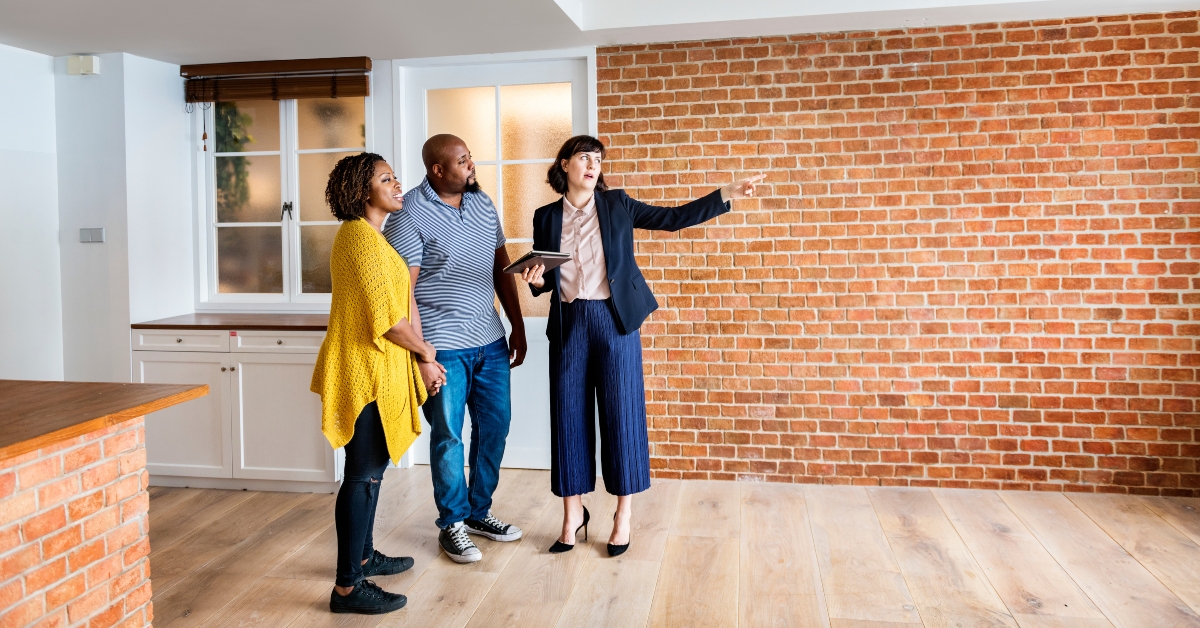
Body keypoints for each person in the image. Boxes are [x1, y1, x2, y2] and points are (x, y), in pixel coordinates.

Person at [520, 135, 764, 555]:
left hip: (616, 322)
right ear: (564, 165)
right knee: (568, 417)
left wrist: (726, 194)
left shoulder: (617, 205)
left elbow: (673, 217)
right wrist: (536, 280)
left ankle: (623, 515)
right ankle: (572, 514)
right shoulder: (546, 216)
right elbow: (544, 282)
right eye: (584, 157)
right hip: (569, 325)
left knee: (622, 415)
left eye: (597, 159)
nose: (593, 165)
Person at [382, 134, 527, 564]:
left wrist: (517, 326)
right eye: (462, 161)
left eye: (471, 159)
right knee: (448, 436)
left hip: (490, 340)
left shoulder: (482, 203)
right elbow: (402, 293)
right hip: (443, 346)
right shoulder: (409, 215)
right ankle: (452, 524)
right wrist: (423, 355)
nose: (472, 167)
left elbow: (502, 267)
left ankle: (479, 513)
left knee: (495, 427)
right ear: (437, 170)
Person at [311, 152, 446, 614]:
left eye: (394, 176)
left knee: (371, 473)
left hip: (381, 372)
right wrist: (427, 353)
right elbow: (387, 321)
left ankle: (364, 557)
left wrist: (421, 360)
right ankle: (346, 587)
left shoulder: (376, 240)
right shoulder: (357, 240)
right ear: (363, 191)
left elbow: (402, 308)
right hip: (363, 375)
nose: (396, 183)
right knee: (362, 476)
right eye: (385, 178)